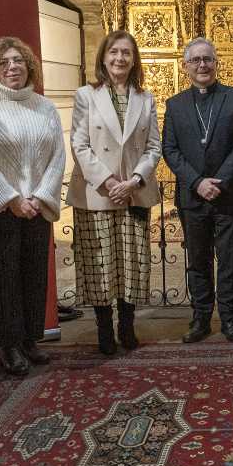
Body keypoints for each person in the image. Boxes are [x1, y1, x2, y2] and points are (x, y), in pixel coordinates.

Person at [0, 37, 66, 376]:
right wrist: (12, 200)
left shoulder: (44, 107)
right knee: (4, 279)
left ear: (29, 67)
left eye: (18, 61)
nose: (12, 68)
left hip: (36, 205)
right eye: (5, 62)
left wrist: (39, 197)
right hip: (2, 209)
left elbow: (57, 156)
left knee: (33, 276)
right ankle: (8, 345)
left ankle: (28, 339)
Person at [66, 30, 160, 355]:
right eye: (114, 52)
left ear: (134, 60)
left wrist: (133, 180)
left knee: (131, 262)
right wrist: (108, 182)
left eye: (126, 53)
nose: (120, 58)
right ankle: (104, 328)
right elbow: (79, 143)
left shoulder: (145, 98)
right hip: (98, 192)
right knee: (101, 262)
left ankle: (127, 326)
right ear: (103, 58)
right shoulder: (86, 95)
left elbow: (153, 146)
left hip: (134, 191)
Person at [162, 37, 233, 343]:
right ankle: (200, 318)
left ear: (217, 63)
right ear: (185, 66)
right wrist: (197, 181)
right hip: (192, 195)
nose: (203, 65)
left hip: (228, 194)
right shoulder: (175, 105)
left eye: (208, 59)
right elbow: (170, 149)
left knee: (229, 258)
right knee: (198, 259)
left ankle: (229, 318)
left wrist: (220, 181)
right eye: (196, 60)